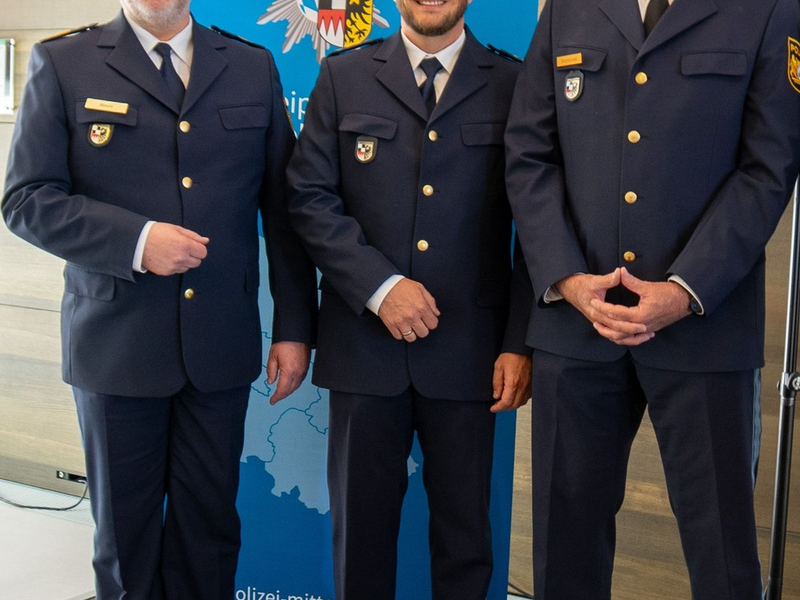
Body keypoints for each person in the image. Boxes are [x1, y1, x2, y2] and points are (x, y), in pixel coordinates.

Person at [1, 0, 318, 598]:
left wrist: (294, 328)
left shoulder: (252, 66)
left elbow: (285, 212)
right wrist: (137, 240)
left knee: (211, 534)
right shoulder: (64, 61)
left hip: (219, 346)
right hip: (116, 346)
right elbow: (27, 200)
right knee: (126, 543)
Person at [505, 0, 800, 597]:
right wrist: (564, 278)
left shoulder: (771, 9)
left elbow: (768, 167)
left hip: (703, 328)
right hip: (578, 326)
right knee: (564, 560)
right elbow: (529, 153)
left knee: (722, 562)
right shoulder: (567, 7)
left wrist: (686, 289)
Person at [286, 0, 533, 598]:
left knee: (467, 545)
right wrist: (380, 287)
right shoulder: (343, 76)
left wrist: (520, 341)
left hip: (473, 356)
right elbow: (308, 196)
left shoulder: (515, 82)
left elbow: (539, 221)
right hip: (364, 351)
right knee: (361, 544)